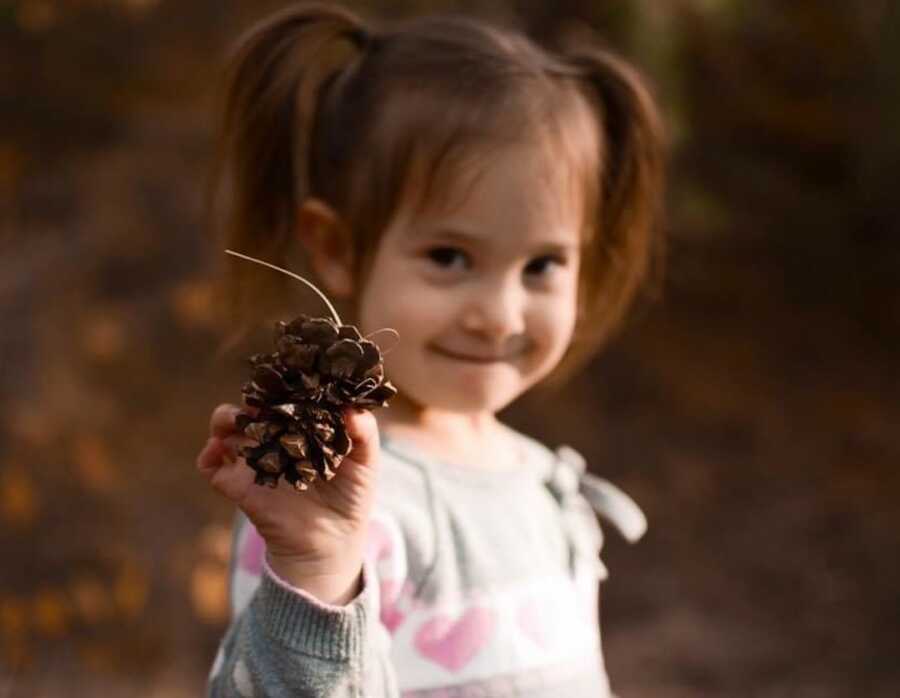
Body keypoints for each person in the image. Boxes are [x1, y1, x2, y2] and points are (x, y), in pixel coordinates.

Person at [196, 2, 665, 695]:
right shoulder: (324, 505)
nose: (499, 315)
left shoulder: (538, 476)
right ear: (338, 247)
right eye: (449, 256)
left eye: (542, 265)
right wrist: (318, 575)